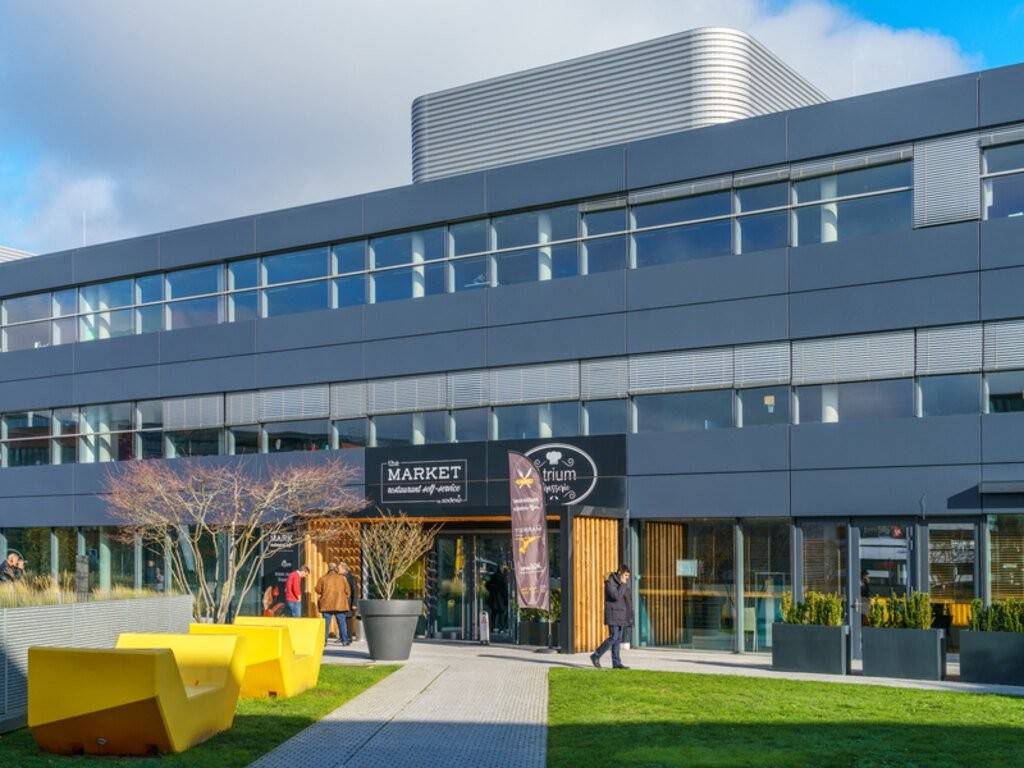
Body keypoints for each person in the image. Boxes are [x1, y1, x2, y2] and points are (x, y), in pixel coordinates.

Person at [590, 564, 633, 670]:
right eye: (626, 575)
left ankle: (616, 662)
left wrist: (629, 617)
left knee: (618, 639)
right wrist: (623, 584)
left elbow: (627, 600)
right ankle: (596, 655)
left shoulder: (623, 583)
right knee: (614, 637)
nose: (627, 578)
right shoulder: (610, 582)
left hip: (621, 615)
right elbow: (616, 596)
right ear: (620, 573)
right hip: (613, 614)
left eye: (628, 576)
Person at [315, 563, 352, 645]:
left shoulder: (323, 578)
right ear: (336, 569)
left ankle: (324, 641)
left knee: (325, 624)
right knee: (342, 623)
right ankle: (345, 641)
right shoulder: (343, 578)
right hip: (340, 605)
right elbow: (348, 591)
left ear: (328, 569)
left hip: (326, 605)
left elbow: (318, 590)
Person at [339, 562, 358, 644]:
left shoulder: (351, 578)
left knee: (348, 620)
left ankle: (349, 638)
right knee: (341, 619)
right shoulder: (340, 577)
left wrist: (354, 604)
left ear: (344, 569)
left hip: (349, 603)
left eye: (339, 568)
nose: (338, 570)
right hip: (341, 602)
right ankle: (342, 637)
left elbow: (355, 591)